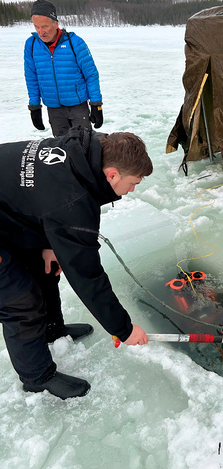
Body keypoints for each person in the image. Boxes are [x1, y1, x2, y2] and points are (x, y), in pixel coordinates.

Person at [0, 126, 153, 399]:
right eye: (133, 183)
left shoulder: (85, 151)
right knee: (21, 300)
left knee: (45, 267)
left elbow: (38, 194)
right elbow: (87, 276)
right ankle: (36, 377)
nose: (130, 191)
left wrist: (49, 243)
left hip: (8, 210)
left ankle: (52, 330)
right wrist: (124, 329)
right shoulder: (73, 201)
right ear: (112, 174)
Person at [24, 0, 103, 137]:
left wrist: (96, 104)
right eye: (37, 27)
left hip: (78, 107)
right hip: (54, 109)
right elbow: (32, 78)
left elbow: (91, 74)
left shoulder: (75, 43)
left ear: (56, 23)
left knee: (85, 147)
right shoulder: (31, 45)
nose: (41, 32)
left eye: (45, 26)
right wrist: (34, 106)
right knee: (62, 151)